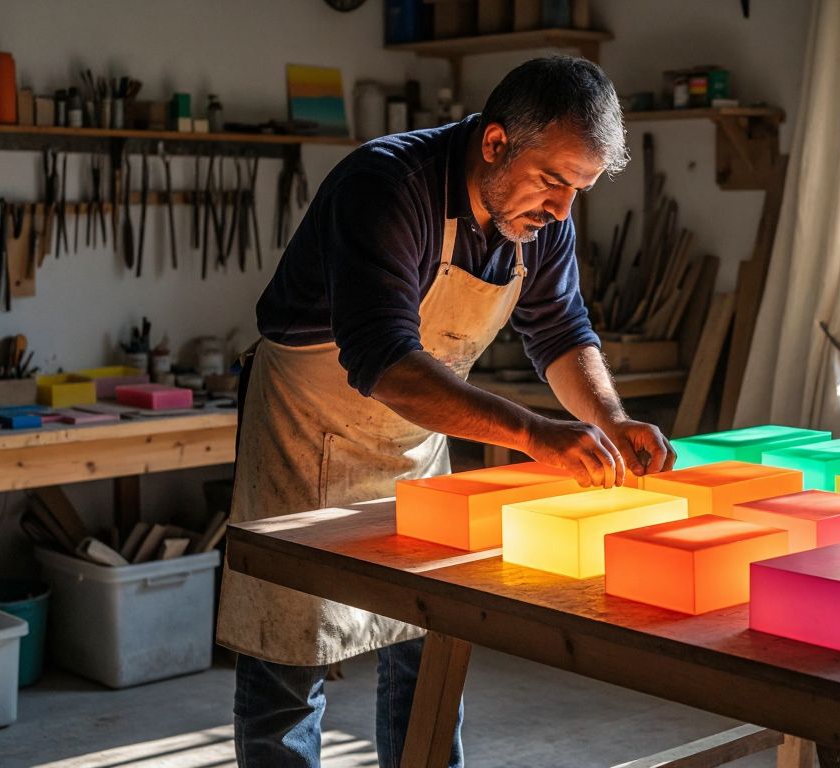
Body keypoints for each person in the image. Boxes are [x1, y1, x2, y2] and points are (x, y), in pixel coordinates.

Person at [217, 55, 675, 768]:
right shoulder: (387, 185)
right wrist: (533, 433)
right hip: (306, 430)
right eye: (555, 181)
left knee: (426, 642)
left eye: (579, 190)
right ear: (495, 143)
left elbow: (559, 329)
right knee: (290, 652)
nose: (561, 210)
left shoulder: (542, 219)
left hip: (419, 435)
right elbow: (383, 359)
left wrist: (609, 417)